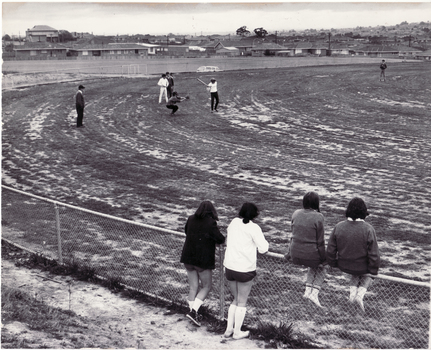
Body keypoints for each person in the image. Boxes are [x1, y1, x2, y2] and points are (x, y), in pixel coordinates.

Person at [223, 203, 269, 340]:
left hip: (230, 266)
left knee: (236, 299)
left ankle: (228, 329)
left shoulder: (234, 222)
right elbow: (264, 248)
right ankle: (237, 332)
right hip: (245, 269)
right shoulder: (254, 228)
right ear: (255, 215)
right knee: (242, 301)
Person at [326, 197, 380, 312]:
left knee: (356, 271)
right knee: (366, 273)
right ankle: (359, 296)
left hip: (344, 264)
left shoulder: (339, 226)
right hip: (361, 266)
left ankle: (352, 297)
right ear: (364, 212)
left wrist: (333, 263)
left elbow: (330, 249)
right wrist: (373, 271)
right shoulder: (369, 229)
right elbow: (374, 254)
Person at [180, 201, 225, 327]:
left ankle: (192, 311)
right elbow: (220, 239)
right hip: (202, 261)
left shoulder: (190, 218)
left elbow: (186, 231)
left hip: (188, 258)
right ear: (212, 211)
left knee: (193, 287)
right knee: (206, 286)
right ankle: (194, 312)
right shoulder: (211, 223)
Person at [286, 192, 327, 307]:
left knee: (313, 266)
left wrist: (289, 253)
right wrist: (324, 259)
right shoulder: (319, 217)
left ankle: (307, 292)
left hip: (295, 253)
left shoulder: (296, 213)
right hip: (310, 255)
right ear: (316, 203)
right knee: (321, 268)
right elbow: (320, 242)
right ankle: (314, 294)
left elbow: (293, 235)